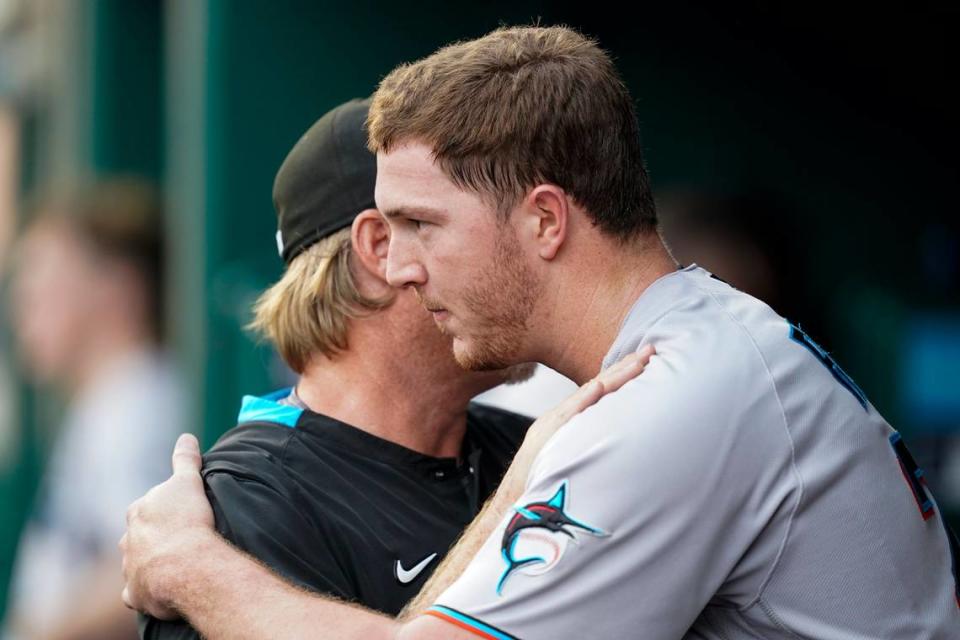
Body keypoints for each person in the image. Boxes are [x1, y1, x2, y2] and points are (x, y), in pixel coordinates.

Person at [121, 26, 959, 639]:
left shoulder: (670, 399)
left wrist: (190, 569)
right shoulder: (697, 353)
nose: (412, 264)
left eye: (426, 224)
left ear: (545, 221)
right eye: (392, 229)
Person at [141, 98, 556, 639]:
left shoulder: (532, 446)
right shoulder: (247, 504)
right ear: (382, 248)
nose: (525, 257)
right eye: (484, 224)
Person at [5, 180, 185, 640]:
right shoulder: (108, 400)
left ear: (117, 285)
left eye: (42, 282)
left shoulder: (137, 402)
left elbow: (149, 563)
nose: (25, 308)